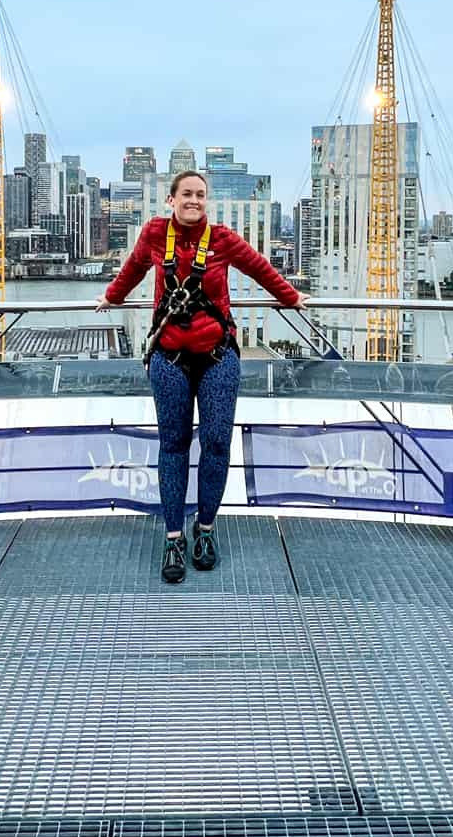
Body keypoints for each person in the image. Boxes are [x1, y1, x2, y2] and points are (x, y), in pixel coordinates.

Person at [97, 169, 306, 583]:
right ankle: (173, 537)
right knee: (172, 446)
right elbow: (134, 268)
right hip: (169, 357)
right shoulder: (155, 234)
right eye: (186, 194)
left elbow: (260, 268)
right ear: (171, 200)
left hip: (217, 357)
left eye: (200, 195)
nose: (194, 200)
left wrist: (292, 296)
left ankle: (205, 529)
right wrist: (111, 297)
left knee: (214, 444)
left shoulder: (223, 240)